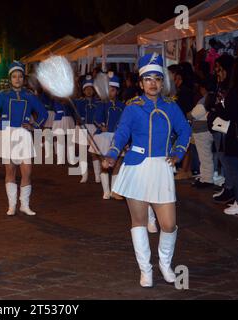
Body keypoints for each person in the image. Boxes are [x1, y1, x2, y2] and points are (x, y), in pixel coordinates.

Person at [103, 53, 192, 288]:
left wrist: (178, 152)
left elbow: (184, 131)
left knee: (168, 224)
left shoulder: (171, 107)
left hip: (162, 168)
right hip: (137, 168)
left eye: (157, 79)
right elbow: (122, 133)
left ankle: (165, 263)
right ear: (141, 83)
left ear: (163, 82)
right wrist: (112, 154)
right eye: (148, 79)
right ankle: (146, 270)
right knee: (139, 221)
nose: (153, 83)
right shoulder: (133, 108)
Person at [0, 61, 48, 216]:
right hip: (7, 134)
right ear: (10, 78)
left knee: (27, 172)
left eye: (20, 76)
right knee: (10, 171)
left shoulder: (29, 96)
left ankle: (24, 205)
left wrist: (34, 126)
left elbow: (43, 113)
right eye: (14, 76)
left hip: (24, 135)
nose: (17, 79)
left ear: (23, 79)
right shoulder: (3, 95)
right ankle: (12, 205)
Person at [211, 56, 238, 216]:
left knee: (235, 168)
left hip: (236, 135)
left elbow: (228, 113)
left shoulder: (236, 91)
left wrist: (218, 107)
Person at [91, 75, 125, 200]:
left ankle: (114, 191)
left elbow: (126, 122)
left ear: (117, 91)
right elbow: (96, 118)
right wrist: (101, 125)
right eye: (109, 89)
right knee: (105, 164)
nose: (111, 92)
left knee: (117, 164)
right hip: (104, 136)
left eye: (113, 89)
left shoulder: (123, 105)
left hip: (118, 137)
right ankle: (106, 191)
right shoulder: (102, 104)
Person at [74, 75, 104, 184]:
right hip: (82, 127)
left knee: (94, 153)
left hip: (95, 128)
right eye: (86, 89)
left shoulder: (98, 102)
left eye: (91, 89)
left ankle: (97, 175)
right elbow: (76, 114)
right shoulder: (79, 101)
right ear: (83, 90)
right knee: (82, 152)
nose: (89, 91)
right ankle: (84, 175)